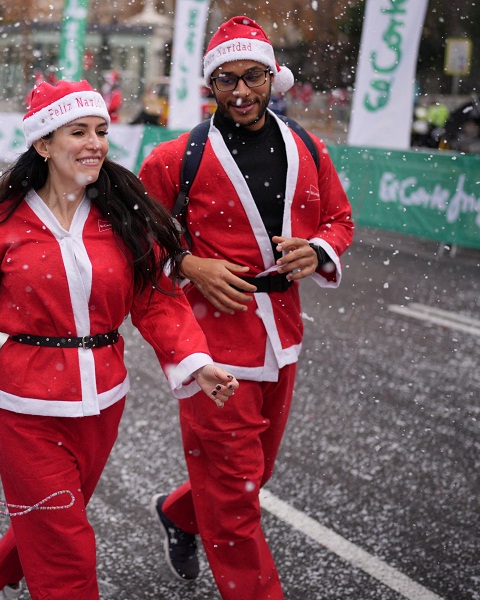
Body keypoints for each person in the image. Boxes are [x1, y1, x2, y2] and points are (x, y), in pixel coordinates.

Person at [0, 79, 239, 600]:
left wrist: (197, 361)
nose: (95, 143)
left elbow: (156, 300)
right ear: (43, 144)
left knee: (60, 510)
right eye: (77, 132)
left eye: (101, 131)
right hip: (27, 407)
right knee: (67, 545)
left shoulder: (123, 217)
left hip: (103, 400)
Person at [138, 16, 354, 599]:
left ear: (272, 77)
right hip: (210, 344)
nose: (241, 92)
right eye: (226, 79)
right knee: (235, 497)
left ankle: (182, 513)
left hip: (281, 332)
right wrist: (188, 265)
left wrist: (319, 248)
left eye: (253, 77)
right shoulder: (173, 159)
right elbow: (140, 242)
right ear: (210, 84)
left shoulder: (308, 146)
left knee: (251, 471)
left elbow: (339, 218)